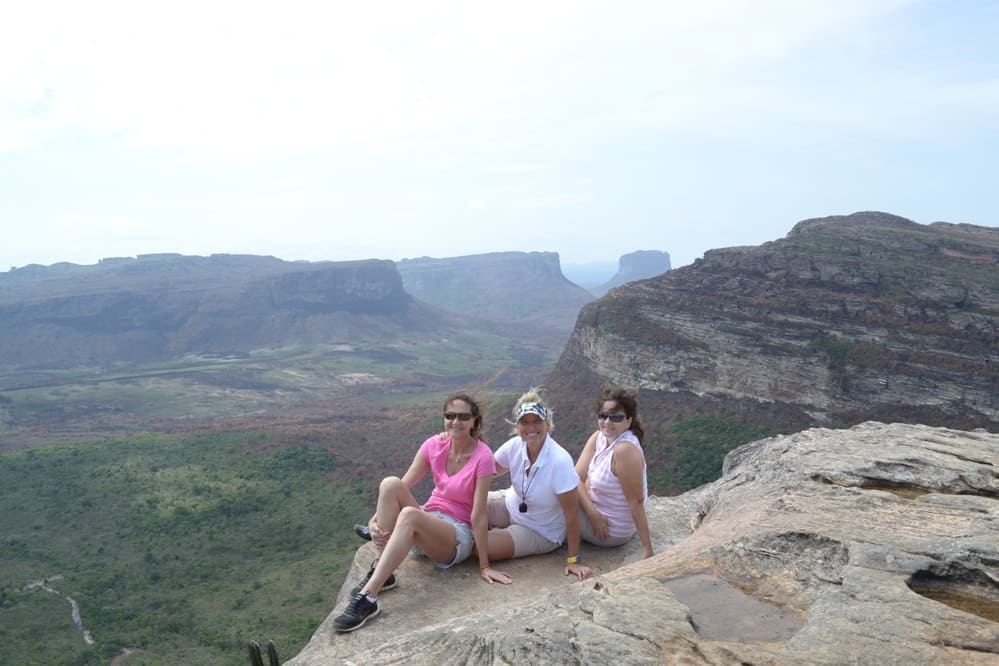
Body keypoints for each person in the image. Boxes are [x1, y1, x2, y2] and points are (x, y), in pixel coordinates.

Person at [332, 393, 512, 632]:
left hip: (455, 536)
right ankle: (383, 571)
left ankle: (369, 597)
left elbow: (478, 515)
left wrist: (485, 565)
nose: (455, 422)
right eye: (450, 416)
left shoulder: (483, 457)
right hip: (427, 521)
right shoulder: (434, 445)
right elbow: (402, 486)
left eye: (463, 417)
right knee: (390, 483)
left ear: (474, 421)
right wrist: (374, 520)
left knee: (408, 515)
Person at [485, 388, 592, 580]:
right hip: (511, 506)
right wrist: (459, 443)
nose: (531, 428)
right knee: (463, 510)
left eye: (537, 422)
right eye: (524, 422)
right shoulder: (514, 446)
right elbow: (487, 471)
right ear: (517, 427)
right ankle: (496, 531)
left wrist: (574, 560)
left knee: (481, 547)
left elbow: (571, 513)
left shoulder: (559, 462)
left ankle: (497, 533)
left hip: (540, 531)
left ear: (548, 424)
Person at [574, 386, 654, 559]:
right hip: (595, 515)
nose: (608, 422)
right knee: (556, 484)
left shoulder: (624, 451)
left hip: (609, 530)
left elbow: (637, 502)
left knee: (550, 493)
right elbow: (574, 478)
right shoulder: (599, 438)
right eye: (603, 416)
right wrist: (592, 512)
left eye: (616, 417)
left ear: (628, 421)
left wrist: (648, 550)